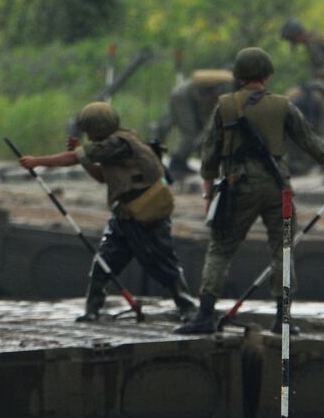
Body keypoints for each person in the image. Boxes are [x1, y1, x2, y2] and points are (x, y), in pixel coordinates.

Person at [175, 47, 324, 335]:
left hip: (239, 188)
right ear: (267, 74)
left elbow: (209, 155)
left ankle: (204, 315)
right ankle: (282, 319)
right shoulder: (283, 105)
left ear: (238, 76)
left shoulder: (224, 106)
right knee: (283, 252)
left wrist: (207, 195)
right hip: (279, 189)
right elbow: (313, 144)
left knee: (221, 249)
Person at [19, 102, 197, 322]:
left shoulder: (118, 143)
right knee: (103, 263)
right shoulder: (112, 146)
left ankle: (188, 307)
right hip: (124, 215)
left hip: (146, 215)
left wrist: (37, 162)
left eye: (88, 131)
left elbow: (71, 158)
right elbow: (101, 176)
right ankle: (92, 309)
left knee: (163, 263)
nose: (87, 136)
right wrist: (82, 154)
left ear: (96, 128)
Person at [280, 18, 324, 137]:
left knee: (323, 107)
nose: (294, 44)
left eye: (292, 40)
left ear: (297, 36)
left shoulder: (313, 44)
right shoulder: (315, 38)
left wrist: (315, 85)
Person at [166, 69, 236, 179]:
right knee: (190, 133)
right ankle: (176, 164)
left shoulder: (231, 86)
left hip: (191, 98)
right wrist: (203, 138)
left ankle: (181, 163)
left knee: (198, 133)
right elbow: (217, 114)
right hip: (183, 97)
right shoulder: (229, 87)